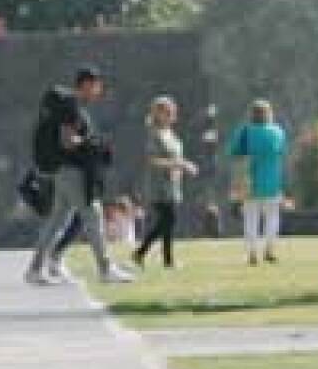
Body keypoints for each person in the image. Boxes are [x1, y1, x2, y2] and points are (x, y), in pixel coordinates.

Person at [27, 66, 133, 285]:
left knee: (57, 221)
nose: (99, 90)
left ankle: (35, 269)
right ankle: (105, 269)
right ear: (86, 84)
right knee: (92, 216)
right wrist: (93, 145)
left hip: (63, 171)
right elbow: (67, 140)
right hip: (73, 171)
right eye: (97, 86)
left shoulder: (69, 106)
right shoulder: (71, 107)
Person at [136, 94, 196, 270]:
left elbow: (176, 156)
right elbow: (153, 160)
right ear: (158, 113)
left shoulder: (170, 133)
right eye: (168, 112)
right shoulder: (153, 134)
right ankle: (153, 256)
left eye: (173, 111)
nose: (172, 114)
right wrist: (181, 164)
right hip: (158, 185)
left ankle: (152, 257)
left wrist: (183, 166)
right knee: (168, 220)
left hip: (173, 184)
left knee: (168, 222)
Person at [227, 97, 289, 265]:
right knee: (272, 218)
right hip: (272, 181)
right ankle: (270, 250)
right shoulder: (278, 132)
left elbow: (232, 152)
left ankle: (252, 253)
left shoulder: (245, 131)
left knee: (251, 219)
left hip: (250, 181)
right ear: (269, 114)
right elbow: (283, 153)